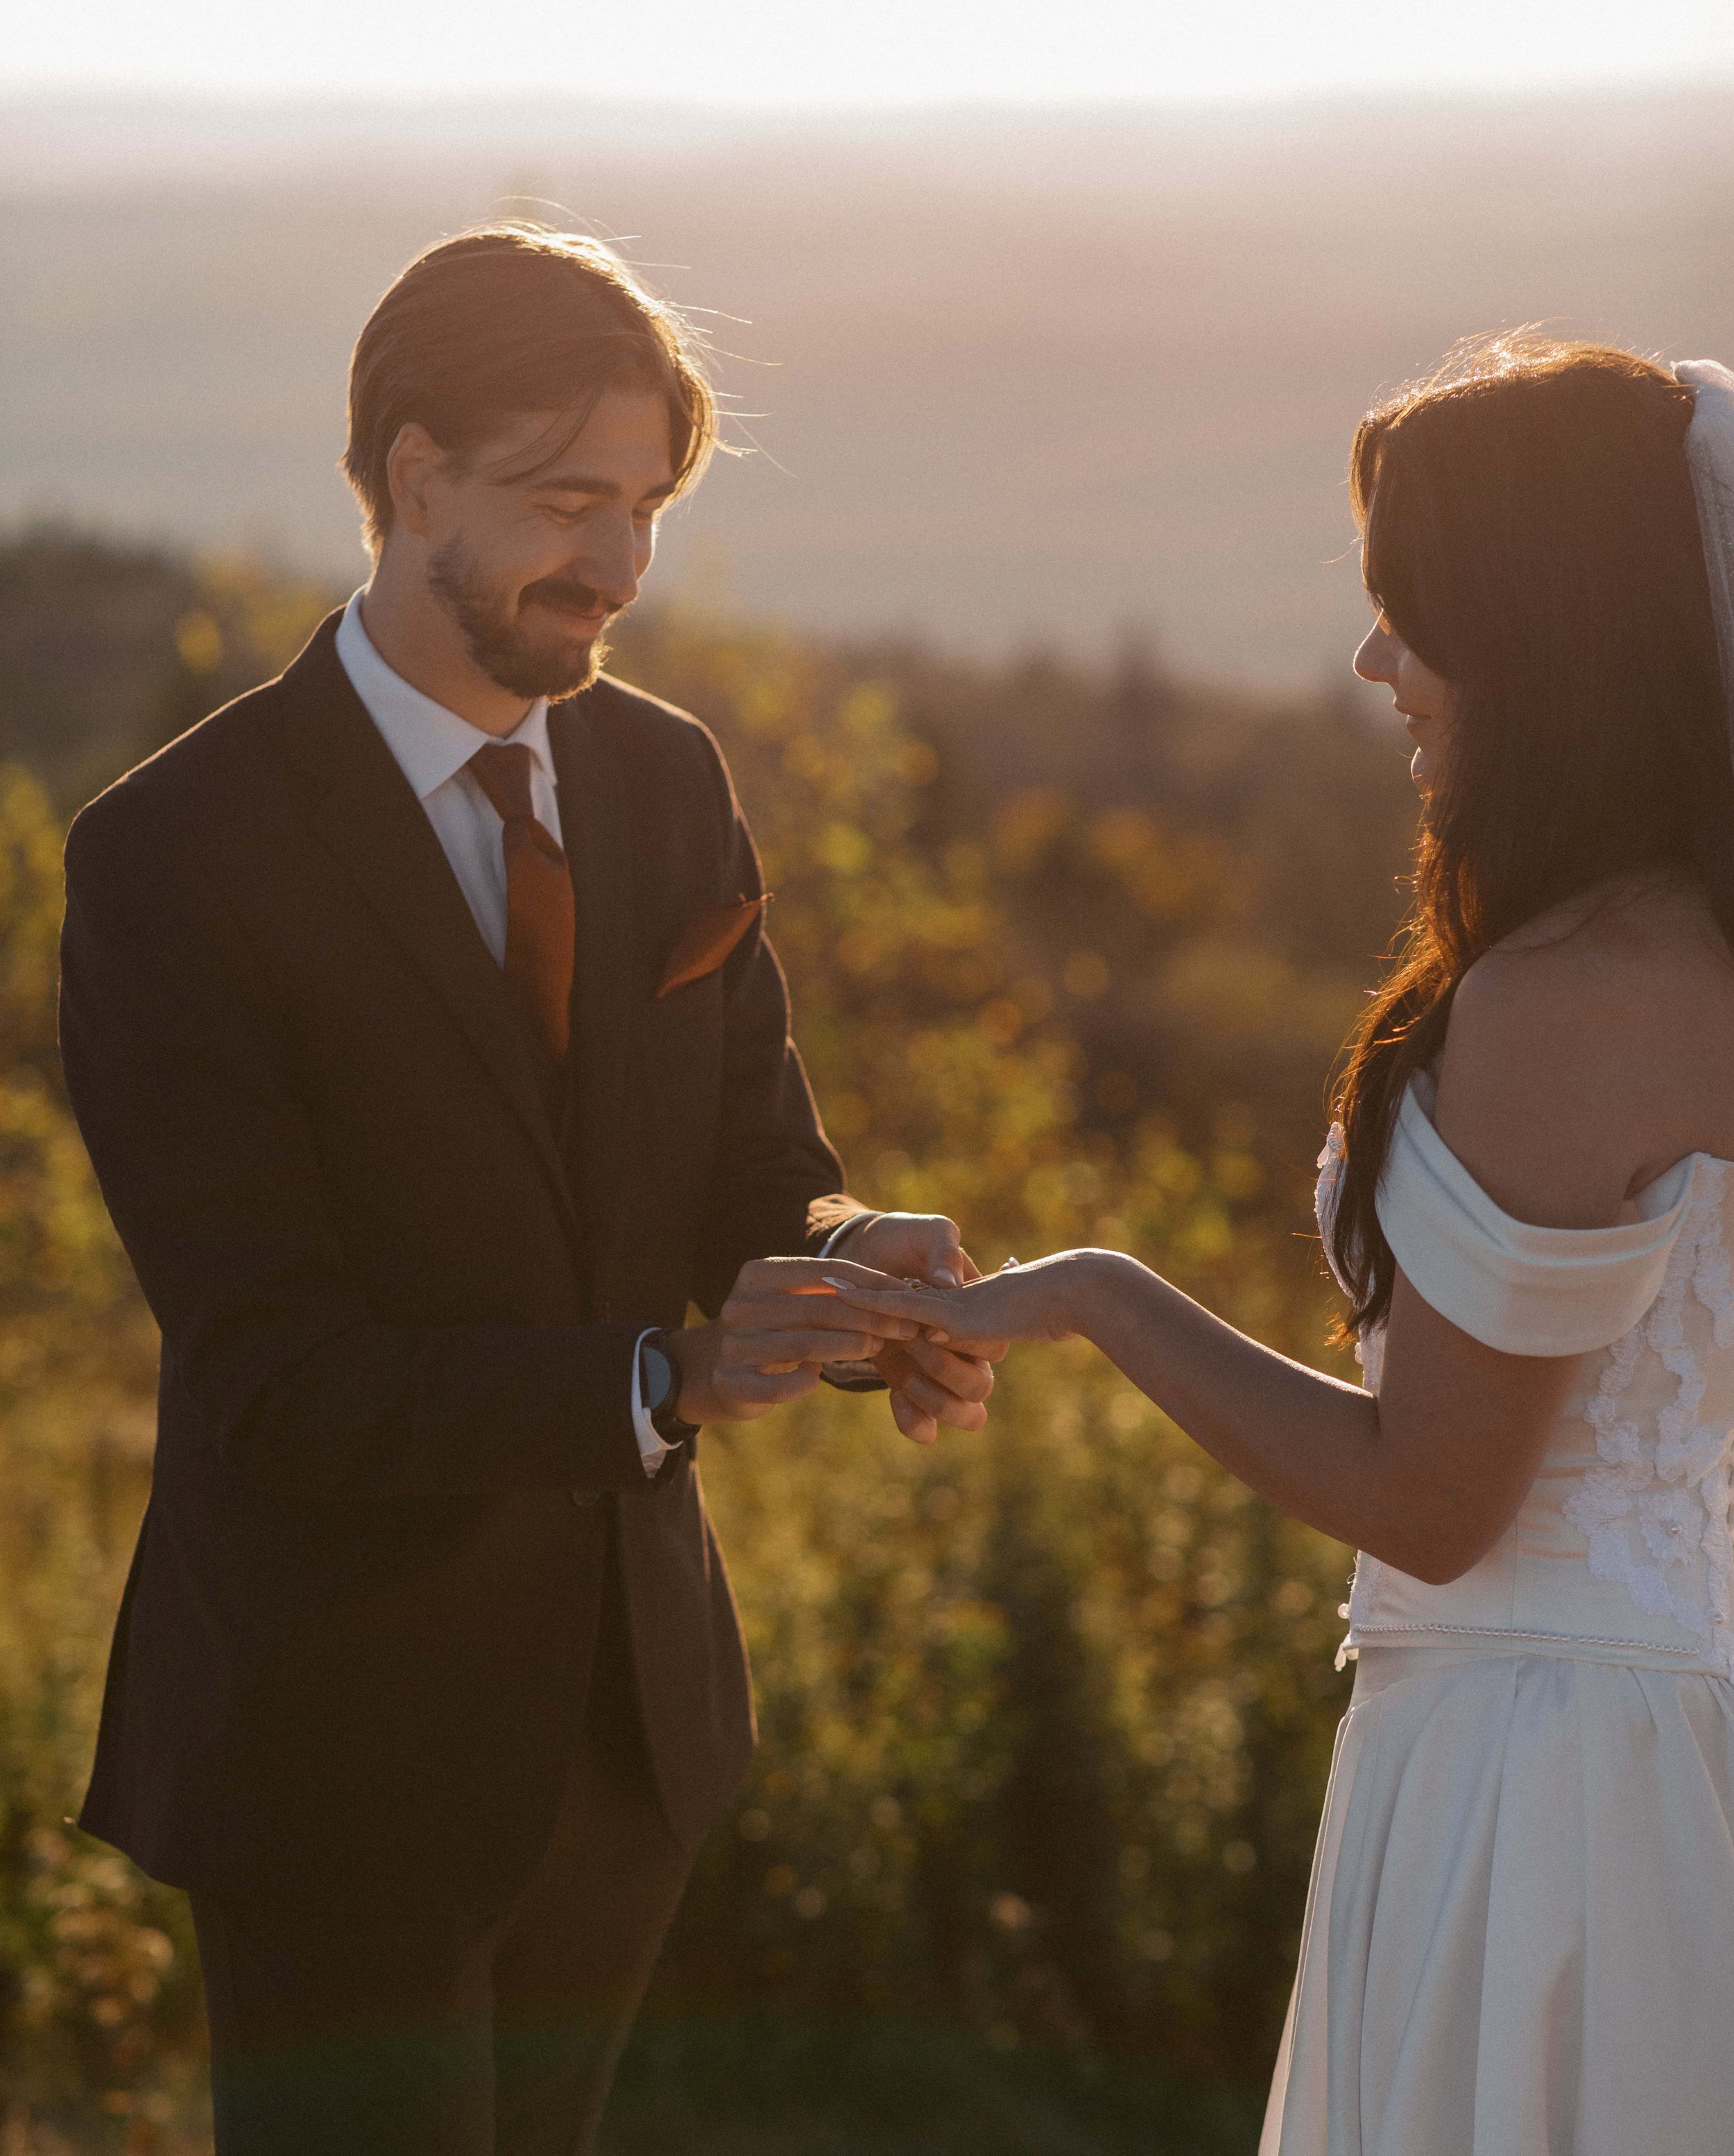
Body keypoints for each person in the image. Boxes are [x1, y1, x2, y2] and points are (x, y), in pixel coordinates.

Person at [57, 223, 997, 2156]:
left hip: (626, 1724)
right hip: (334, 1740)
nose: (621, 565)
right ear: (414, 480)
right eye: (569, 502)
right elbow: (277, 1371)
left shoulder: (666, 782)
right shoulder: (173, 855)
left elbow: (757, 1171)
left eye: (645, 506)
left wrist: (847, 1268)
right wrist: (655, 1383)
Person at [831, 336, 1734, 2153]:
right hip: (1652, 1728)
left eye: (1412, 612)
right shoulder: (1689, 949)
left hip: (1535, 1785)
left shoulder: (1570, 995)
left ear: (1541, 635)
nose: (1370, 661)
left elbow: (1435, 1499)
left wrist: (1088, 1290)